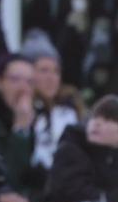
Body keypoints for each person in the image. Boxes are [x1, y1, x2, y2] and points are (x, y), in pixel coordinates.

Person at [0, 53, 45, 202]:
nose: (23, 88)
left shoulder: (41, 118)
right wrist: (20, 131)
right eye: (15, 80)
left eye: (30, 82)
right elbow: (6, 176)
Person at [19, 29, 84, 170]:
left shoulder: (70, 111)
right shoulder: (20, 110)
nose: (51, 78)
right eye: (44, 70)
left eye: (56, 71)